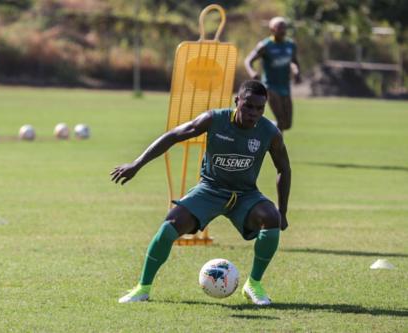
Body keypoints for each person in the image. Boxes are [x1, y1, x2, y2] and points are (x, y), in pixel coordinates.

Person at [111, 80, 291, 306]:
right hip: (210, 189)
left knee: (271, 218)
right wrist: (136, 164)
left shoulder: (270, 132)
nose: (254, 113)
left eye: (259, 108)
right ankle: (142, 288)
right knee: (170, 225)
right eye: (248, 106)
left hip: (245, 194)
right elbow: (174, 135)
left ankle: (253, 285)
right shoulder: (214, 119)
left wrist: (282, 212)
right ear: (237, 101)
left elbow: (283, 168)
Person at [244, 16, 301, 132]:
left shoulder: (290, 45)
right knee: (281, 120)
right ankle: (278, 148)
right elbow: (248, 61)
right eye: (279, 28)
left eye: (284, 28)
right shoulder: (265, 46)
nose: (283, 30)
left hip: (285, 86)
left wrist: (297, 72)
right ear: (272, 29)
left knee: (287, 124)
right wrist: (252, 72)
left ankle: (264, 123)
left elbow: (294, 61)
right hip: (270, 86)